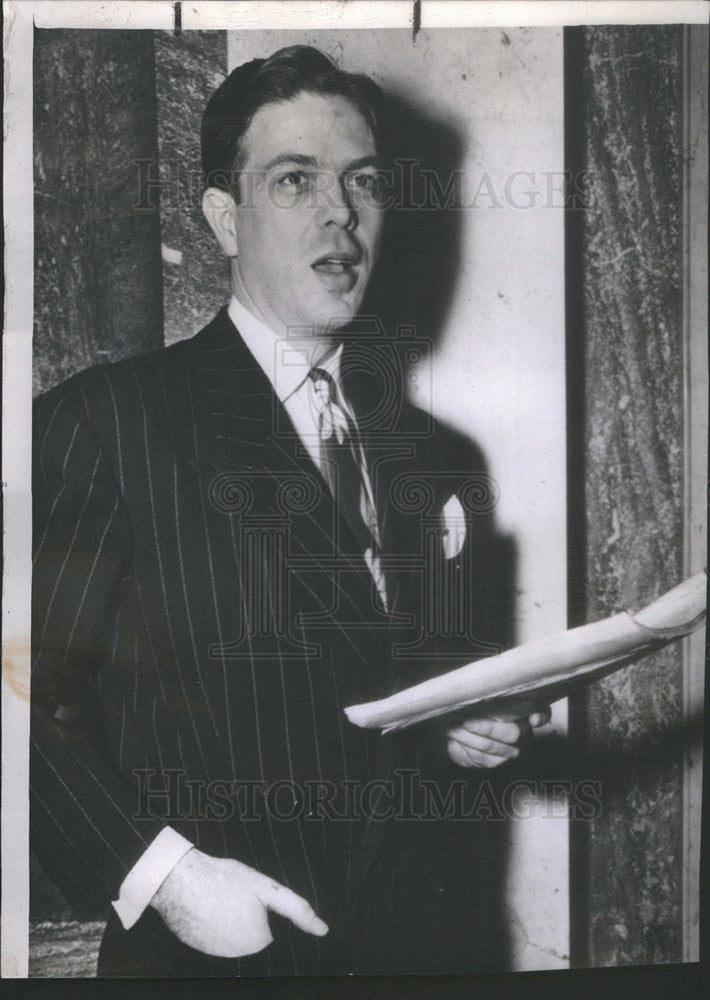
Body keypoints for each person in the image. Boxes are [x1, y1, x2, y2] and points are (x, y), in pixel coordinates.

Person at [31, 45, 549, 977]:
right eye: (294, 180)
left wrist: (463, 724)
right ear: (225, 220)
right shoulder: (108, 422)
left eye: (362, 182)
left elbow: (369, 688)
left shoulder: (430, 456)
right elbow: (21, 703)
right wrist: (171, 880)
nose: (340, 213)